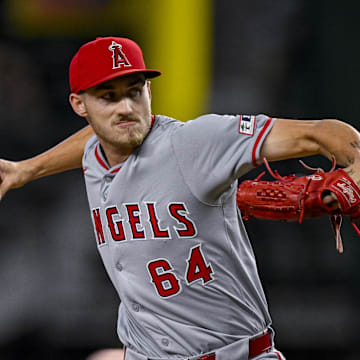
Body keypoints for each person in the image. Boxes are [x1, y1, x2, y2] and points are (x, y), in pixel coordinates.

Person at [0, 36, 359, 360]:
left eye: (134, 90)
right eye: (108, 96)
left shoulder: (194, 142)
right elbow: (93, 140)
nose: (125, 107)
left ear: (149, 92)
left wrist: (357, 171)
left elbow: (323, 134)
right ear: (80, 105)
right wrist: (25, 170)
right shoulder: (96, 152)